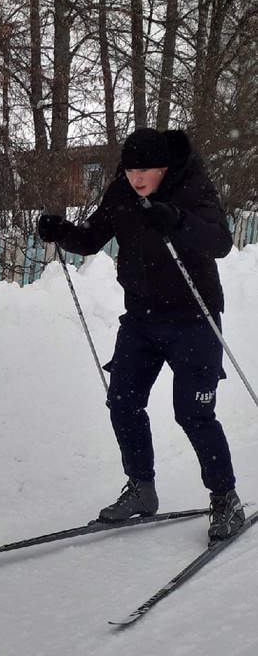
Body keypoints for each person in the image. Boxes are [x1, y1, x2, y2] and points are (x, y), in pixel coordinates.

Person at [38, 127, 244, 543]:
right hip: (142, 319)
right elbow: (92, 239)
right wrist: (62, 231)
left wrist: (178, 219)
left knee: (193, 413)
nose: (136, 177)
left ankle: (226, 498)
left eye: (145, 168)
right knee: (123, 402)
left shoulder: (191, 188)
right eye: (130, 168)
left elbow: (220, 242)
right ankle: (141, 488)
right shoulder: (121, 193)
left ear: (165, 167)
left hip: (192, 318)